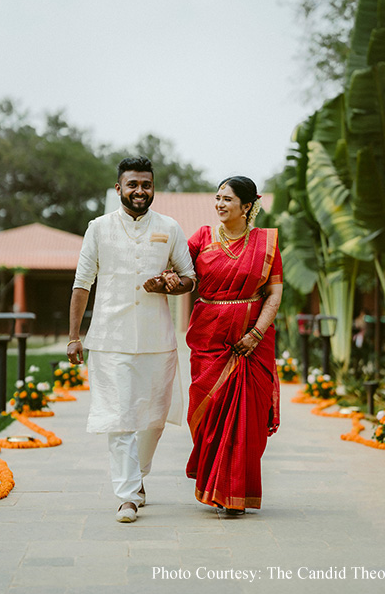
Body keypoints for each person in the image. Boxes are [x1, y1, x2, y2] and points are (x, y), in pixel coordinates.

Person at [67, 156, 195, 523]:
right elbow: (81, 284)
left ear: (153, 188)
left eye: (146, 185)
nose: (140, 191)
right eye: (132, 185)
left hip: (158, 339)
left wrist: (170, 285)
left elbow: (189, 278)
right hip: (110, 338)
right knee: (120, 417)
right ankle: (126, 495)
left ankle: (137, 477)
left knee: (154, 419)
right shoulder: (99, 227)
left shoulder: (169, 227)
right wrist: (75, 336)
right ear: (118, 188)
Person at [185, 176, 283, 515]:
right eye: (218, 197)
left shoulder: (266, 243)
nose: (220, 204)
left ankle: (234, 494)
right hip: (208, 338)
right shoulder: (201, 238)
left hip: (251, 343)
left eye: (228, 199)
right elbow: (182, 272)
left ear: (246, 206)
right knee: (208, 410)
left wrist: (255, 334)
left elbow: (274, 292)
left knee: (246, 418)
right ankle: (215, 484)